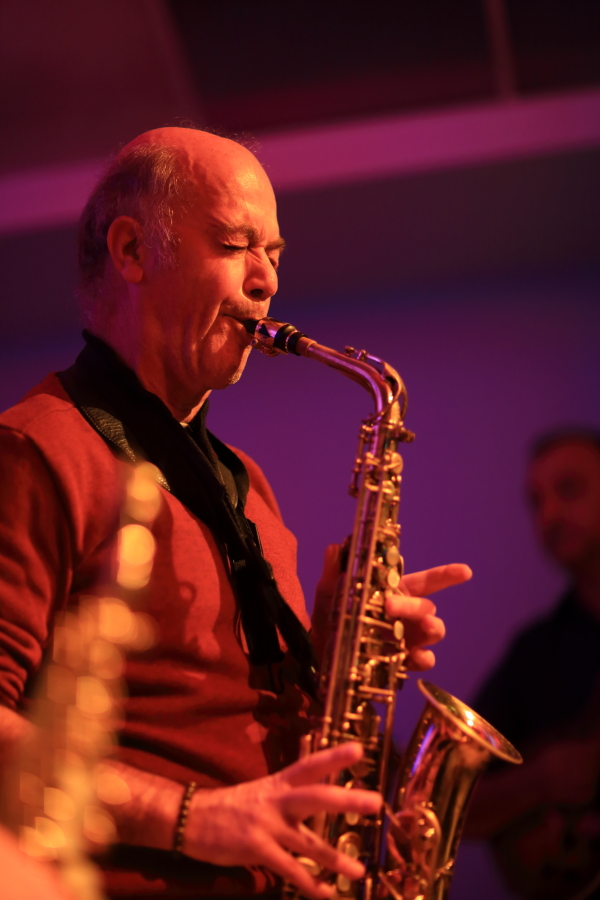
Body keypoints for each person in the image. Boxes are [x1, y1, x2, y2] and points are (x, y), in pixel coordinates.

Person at [0, 127, 471, 900]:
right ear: (131, 251)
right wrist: (190, 818)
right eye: (234, 245)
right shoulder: (36, 448)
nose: (267, 281)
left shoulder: (247, 486)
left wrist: (334, 654)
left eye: (275, 254)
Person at [466, 430, 600, 899]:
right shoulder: (536, 653)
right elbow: (454, 806)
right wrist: (541, 781)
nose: (550, 515)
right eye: (536, 501)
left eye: (569, 489)